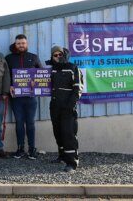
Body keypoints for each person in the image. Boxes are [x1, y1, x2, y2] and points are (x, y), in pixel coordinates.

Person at [5, 34, 42, 160]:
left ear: (27, 44)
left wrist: (35, 82)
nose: (21, 45)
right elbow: (6, 76)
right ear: (15, 44)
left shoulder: (33, 57)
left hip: (30, 97)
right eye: (19, 43)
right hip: (16, 97)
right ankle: (20, 148)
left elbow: (42, 74)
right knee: (19, 123)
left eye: (23, 43)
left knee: (30, 123)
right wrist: (9, 86)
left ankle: (32, 149)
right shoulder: (9, 58)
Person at [47, 45, 82, 173]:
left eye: (59, 54)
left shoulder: (73, 68)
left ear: (64, 54)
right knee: (58, 133)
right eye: (55, 55)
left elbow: (78, 89)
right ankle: (62, 156)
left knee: (68, 133)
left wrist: (70, 105)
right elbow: (43, 85)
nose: (57, 57)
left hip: (68, 107)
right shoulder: (52, 70)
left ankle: (72, 162)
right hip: (55, 106)